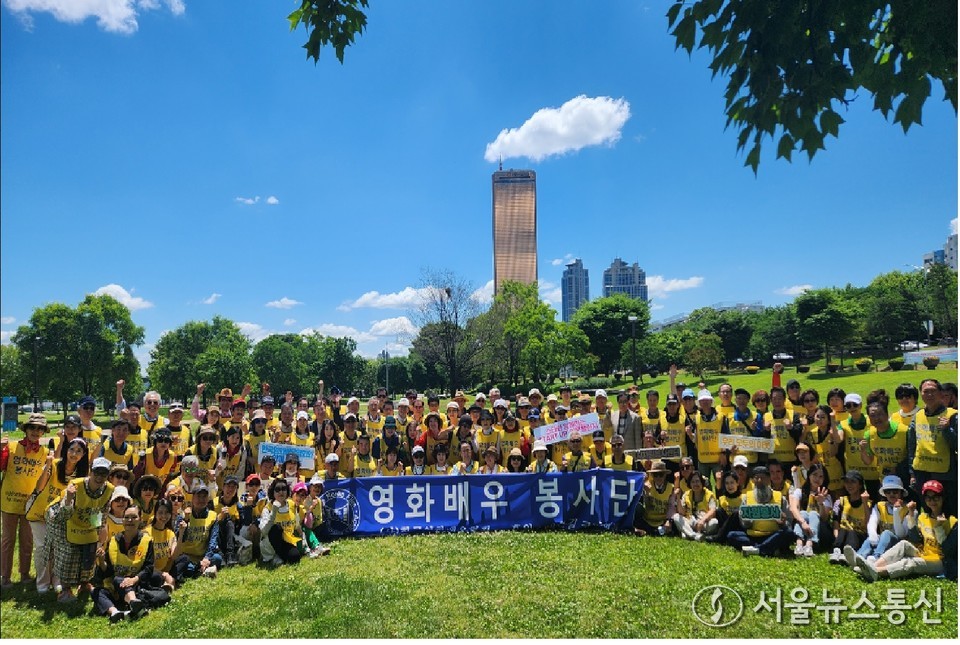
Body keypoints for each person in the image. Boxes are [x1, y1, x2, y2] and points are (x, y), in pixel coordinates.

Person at [855, 479, 957, 582]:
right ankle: (872, 565)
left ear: (943, 498)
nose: (932, 501)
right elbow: (915, 538)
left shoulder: (952, 521)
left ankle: (877, 572)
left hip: (940, 561)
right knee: (904, 544)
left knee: (911, 562)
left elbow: (948, 550)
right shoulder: (923, 517)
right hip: (924, 554)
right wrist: (911, 515)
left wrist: (939, 527)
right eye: (928, 497)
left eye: (936, 497)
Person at [27, 436, 89, 594]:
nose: (74, 454)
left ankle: (56, 580)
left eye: (78, 451)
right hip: (39, 511)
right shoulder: (54, 464)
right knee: (42, 547)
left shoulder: (82, 474)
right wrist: (47, 465)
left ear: (83, 455)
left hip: (59, 516)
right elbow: (39, 487)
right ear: (67, 450)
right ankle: (42, 582)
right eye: (71, 449)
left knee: (57, 548)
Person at [50, 456, 115, 603]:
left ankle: (84, 584)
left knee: (88, 557)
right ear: (91, 471)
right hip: (68, 523)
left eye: (103, 474)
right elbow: (64, 511)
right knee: (68, 557)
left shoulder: (108, 489)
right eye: (96, 472)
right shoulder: (76, 485)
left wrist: (98, 531)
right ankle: (65, 589)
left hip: (89, 524)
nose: (99, 477)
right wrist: (69, 497)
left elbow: (103, 511)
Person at [1, 412, 51, 588]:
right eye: (32, 427)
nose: (36, 431)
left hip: (30, 504)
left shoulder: (45, 453)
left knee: (27, 540)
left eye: (40, 428)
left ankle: (24, 574)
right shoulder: (12, 447)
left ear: (43, 432)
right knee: (8, 540)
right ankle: (5, 577)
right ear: (26, 429)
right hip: (9, 501)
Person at [92, 505, 165, 623]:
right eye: (127, 517)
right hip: (117, 588)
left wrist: (133, 580)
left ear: (140, 519)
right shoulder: (113, 541)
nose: (130, 520)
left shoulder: (146, 541)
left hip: (137, 585)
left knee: (120, 580)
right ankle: (116, 612)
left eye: (134, 517)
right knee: (97, 591)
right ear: (123, 520)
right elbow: (108, 571)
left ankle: (133, 602)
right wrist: (101, 560)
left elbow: (149, 567)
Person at [907, 379, 957, 517]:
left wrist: (947, 430)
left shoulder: (952, 415)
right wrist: (912, 473)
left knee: (949, 511)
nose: (929, 394)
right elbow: (912, 446)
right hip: (922, 471)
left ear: (941, 393)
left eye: (933, 390)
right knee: (928, 510)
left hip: (945, 473)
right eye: (925, 391)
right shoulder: (917, 416)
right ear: (921, 394)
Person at [846, 474, 915, 566]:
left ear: (901, 493)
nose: (891, 494)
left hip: (898, 544)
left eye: (895, 491)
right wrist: (873, 535)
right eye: (888, 491)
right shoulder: (880, 506)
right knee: (872, 537)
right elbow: (872, 522)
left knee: (886, 533)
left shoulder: (908, 510)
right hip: (883, 542)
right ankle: (859, 556)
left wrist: (896, 511)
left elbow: (901, 534)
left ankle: (876, 557)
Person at [726, 465, 792, 557]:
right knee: (732, 535)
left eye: (763, 478)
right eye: (757, 478)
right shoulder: (747, 498)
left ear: (769, 479)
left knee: (788, 533)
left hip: (773, 534)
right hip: (753, 536)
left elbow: (789, 522)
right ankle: (768, 548)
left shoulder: (780, 498)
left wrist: (782, 523)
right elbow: (744, 524)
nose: (760, 481)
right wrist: (747, 520)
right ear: (753, 480)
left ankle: (757, 549)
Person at [170, 484, 222, 582]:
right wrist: (185, 520)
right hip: (186, 555)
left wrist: (206, 558)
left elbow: (213, 540)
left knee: (217, 558)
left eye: (204, 497)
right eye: (198, 496)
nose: (201, 500)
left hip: (202, 554)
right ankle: (202, 570)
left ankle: (201, 568)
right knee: (187, 567)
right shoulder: (182, 514)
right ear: (192, 498)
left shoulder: (212, 516)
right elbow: (180, 538)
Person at [789, 463, 832, 557]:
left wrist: (821, 503)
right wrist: (803, 522)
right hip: (802, 526)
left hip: (820, 529)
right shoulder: (799, 491)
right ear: (809, 476)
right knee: (803, 513)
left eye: (821, 476)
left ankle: (809, 544)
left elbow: (824, 518)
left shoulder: (826, 496)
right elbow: (793, 508)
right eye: (815, 475)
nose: (817, 479)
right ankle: (799, 544)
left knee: (813, 513)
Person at [828, 470, 871, 564]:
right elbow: (836, 525)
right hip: (842, 535)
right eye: (847, 482)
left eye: (853, 482)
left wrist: (864, 503)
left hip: (859, 536)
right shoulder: (840, 501)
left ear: (860, 485)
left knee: (852, 532)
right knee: (843, 530)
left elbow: (869, 526)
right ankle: (837, 550)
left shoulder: (868, 503)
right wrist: (837, 538)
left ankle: (847, 553)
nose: (849, 485)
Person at [258, 478, 302, 565]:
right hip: (270, 544)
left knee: (295, 557)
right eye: (277, 489)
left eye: (284, 489)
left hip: (286, 541)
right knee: (276, 528)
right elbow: (264, 531)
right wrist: (274, 512)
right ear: (272, 492)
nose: (281, 492)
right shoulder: (268, 508)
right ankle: (273, 557)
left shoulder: (292, 504)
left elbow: (297, 524)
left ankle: (282, 556)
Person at [672, 471, 718, 541]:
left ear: (702, 482)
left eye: (697, 481)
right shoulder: (686, 494)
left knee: (714, 522)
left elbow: (713, 510)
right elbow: (682, 513)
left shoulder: (709, 494)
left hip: (704, 522)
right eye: (693, 482)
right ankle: (694, 535)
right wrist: (678, 498)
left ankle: (687, 533)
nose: (695, 484)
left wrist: (702, 520)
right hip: (690, 521)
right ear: (690, 484)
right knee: (676, 516)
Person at [634, 461, 675, 537]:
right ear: (652, 475)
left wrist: (669, 521)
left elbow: (671, 506)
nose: (658, 477)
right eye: (655, 475)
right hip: (647, 520)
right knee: (637, 508)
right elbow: (639, 501)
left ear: (665, 475)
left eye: (661, 474)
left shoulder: (671, 488)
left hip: (663, 520)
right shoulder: (646, 485)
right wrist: (642, 487)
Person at [147, 498, 177, 593]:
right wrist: (164, 574)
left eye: (167, 512)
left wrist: (181, 534)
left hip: (166, 568)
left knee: (184, 560)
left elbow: (174, 556)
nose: (163, 516)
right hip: (151, 570)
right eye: (160, 512)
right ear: (155, 514)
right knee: (155, 576)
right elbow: (146, 563)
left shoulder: (170, 533)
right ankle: (168, 584)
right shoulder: (146, 533)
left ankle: (168, 584)